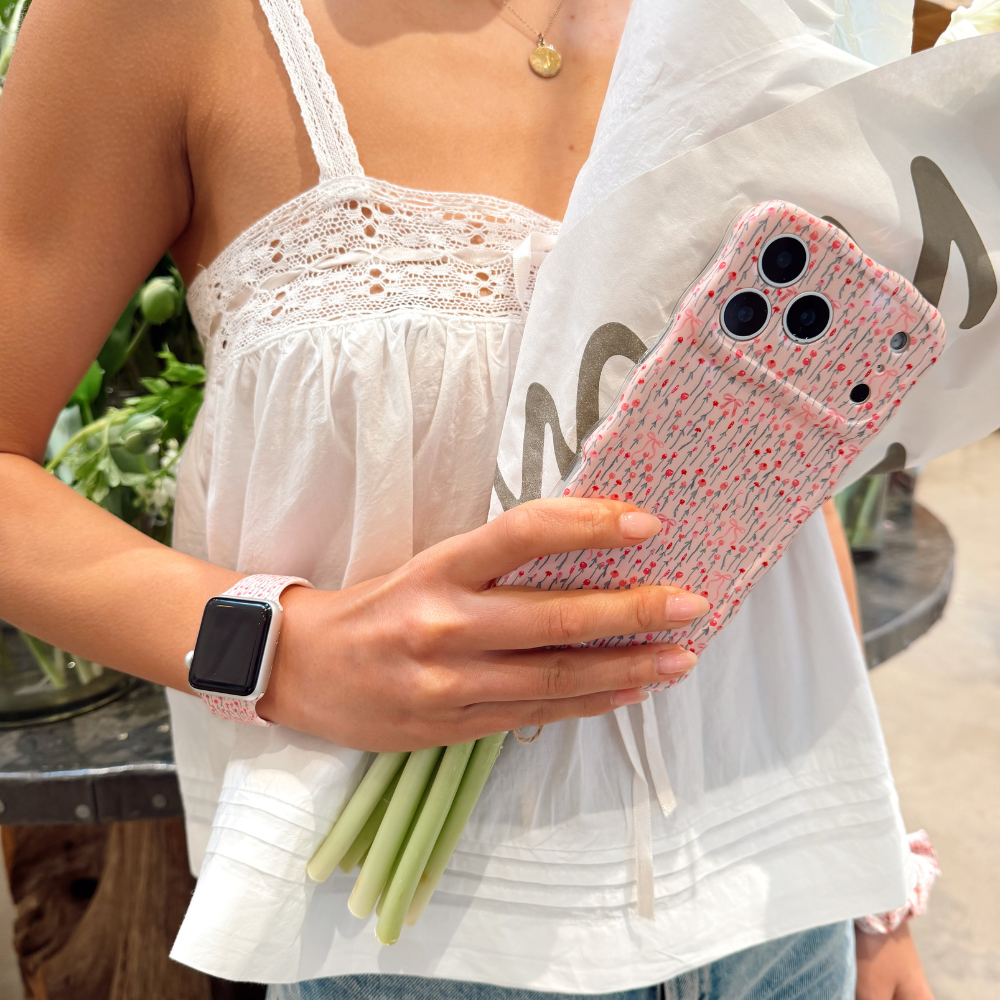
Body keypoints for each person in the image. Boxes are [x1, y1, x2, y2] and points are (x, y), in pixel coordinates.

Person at [0, 1, 935, 997]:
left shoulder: (738, 11)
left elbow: (762, 454)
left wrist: (875, 885)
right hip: (421, 943)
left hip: (783, 906)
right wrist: (281, 646)